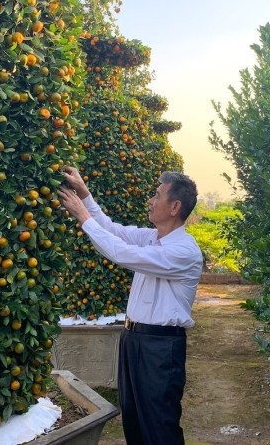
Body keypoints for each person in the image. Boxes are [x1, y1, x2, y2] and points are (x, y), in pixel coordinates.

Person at [58, 166, 202, 445]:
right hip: (133, 340)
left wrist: (82, 216)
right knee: (134, 422)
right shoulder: (152, 237)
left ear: (174, 206)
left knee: (159, 426)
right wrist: (85, 195)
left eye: (157, 195)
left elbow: (122, 253)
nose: (150, 200)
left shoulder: (183, 250)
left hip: (160, 348)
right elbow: (111, 231)